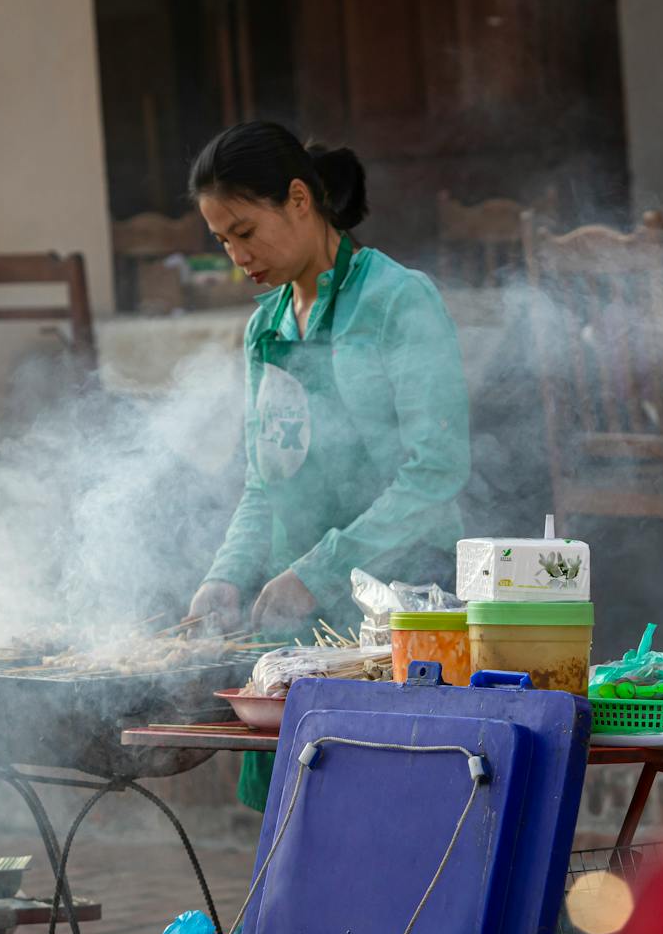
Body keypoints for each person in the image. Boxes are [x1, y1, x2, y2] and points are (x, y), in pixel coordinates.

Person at [185, 122, 471, 807]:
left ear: (299, 199)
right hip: (298, 618)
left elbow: (436, 474)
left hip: (401, 609)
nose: (236, 256)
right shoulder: (267, 326)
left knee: (392, 809)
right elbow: (265, 479)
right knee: (301, 819)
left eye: (246, 232)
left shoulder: (399, 300)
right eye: (222, 240)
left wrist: (319, 570)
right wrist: (226, 575)